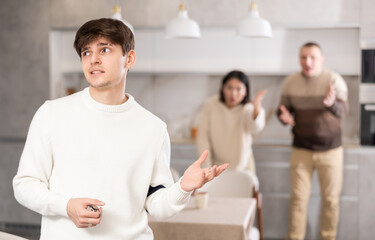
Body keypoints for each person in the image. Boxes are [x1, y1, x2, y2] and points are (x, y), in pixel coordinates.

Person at [12, 18, 228, 240]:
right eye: (86, 53)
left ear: (130, 59)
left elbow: (157, 205)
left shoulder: (153, 128)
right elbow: (24, 185)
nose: (93, 59)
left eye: (104, 50)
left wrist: (182, 188)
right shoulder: (52, 114)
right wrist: (65, 206)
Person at [277, 42, 348, 240]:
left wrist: (332, 103)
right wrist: (283, 116)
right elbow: (283, 109)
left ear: (321, 59)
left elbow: (343, 111)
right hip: (301, 150)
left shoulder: (333, 80)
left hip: (331, 151)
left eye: (312, 57)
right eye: (303, 57)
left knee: (331, 201)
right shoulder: (290, 82)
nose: (307, 62)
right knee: (298, 201)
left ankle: (328, 237)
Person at [197, 70, 266, 174]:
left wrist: (256, 109)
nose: (233, 94)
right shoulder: (211, 105)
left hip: (243, 168)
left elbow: (256, 127)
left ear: (245, 91)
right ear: (223, 88)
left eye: (239, 89)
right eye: (229, 88)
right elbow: (203, 139)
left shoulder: (248, 109)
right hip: (216, 166)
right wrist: (207, 168)